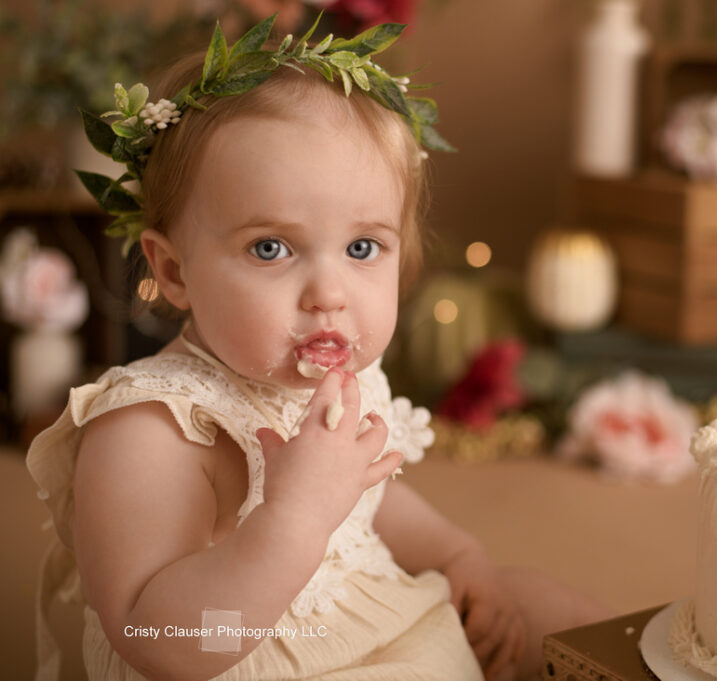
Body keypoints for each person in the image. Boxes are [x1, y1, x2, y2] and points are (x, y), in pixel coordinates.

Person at [27, 16, 610, 681]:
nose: (328, 293)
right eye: (270, 247)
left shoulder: (337, 381)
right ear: (175, 271)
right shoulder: (148, 426)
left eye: (363, 247)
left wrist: (455, 553)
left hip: (378, 621)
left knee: (545, 610)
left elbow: (367, 498)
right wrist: (291, 519)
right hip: (263, 659)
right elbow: (157, 634)